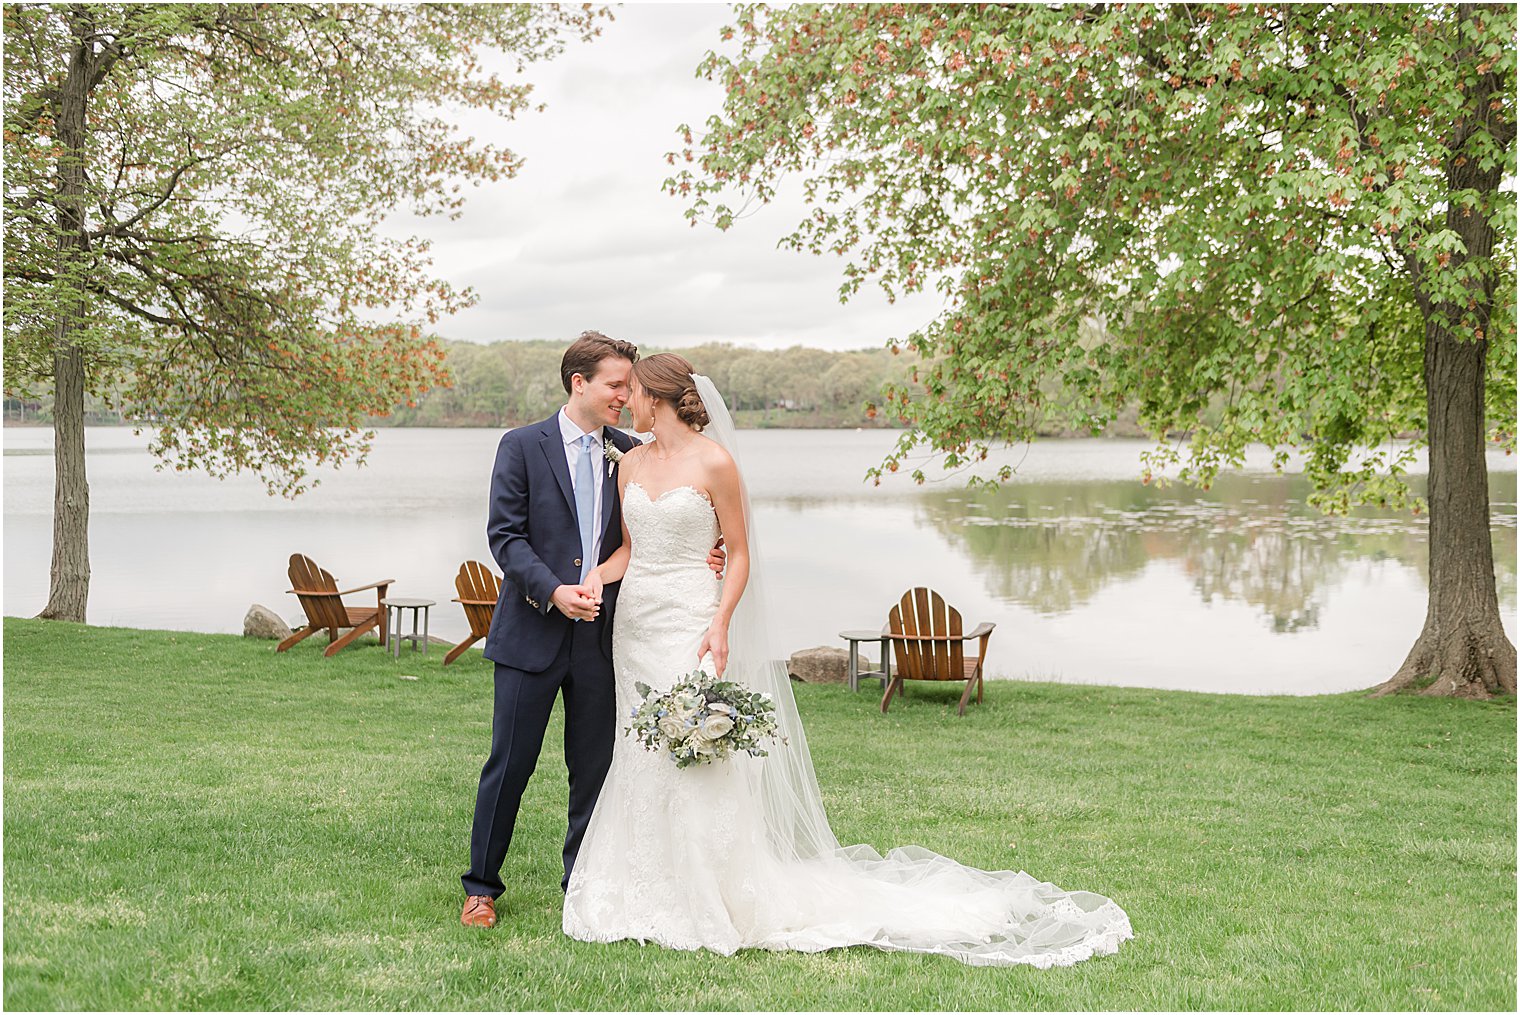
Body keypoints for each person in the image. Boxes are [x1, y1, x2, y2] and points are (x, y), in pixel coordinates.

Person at [561, 353, 1134, 967]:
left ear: (663, 396)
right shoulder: (632, 461)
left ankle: (709, 891)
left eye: (636, 391)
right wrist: (596, 574)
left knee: (697, 750)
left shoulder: (715, 461)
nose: (628, 400)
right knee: (641, 746)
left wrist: (722, 620)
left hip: (694, 622)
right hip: (636, 624)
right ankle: (642, 887)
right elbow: (629, 548)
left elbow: (741, 553)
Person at [460, 332, 722, 929]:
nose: (626, 396)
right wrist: (553, 590)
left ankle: (581, 880)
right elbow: (505, 536)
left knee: (596, 767)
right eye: (616, 385)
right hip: (532, 632)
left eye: (630, 386)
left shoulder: (632, 452)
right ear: (579, 383)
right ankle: (480, 887)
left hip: (607, 639)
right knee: (510, 763)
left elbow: (679, 520)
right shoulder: (522, 446)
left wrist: (718, 551)